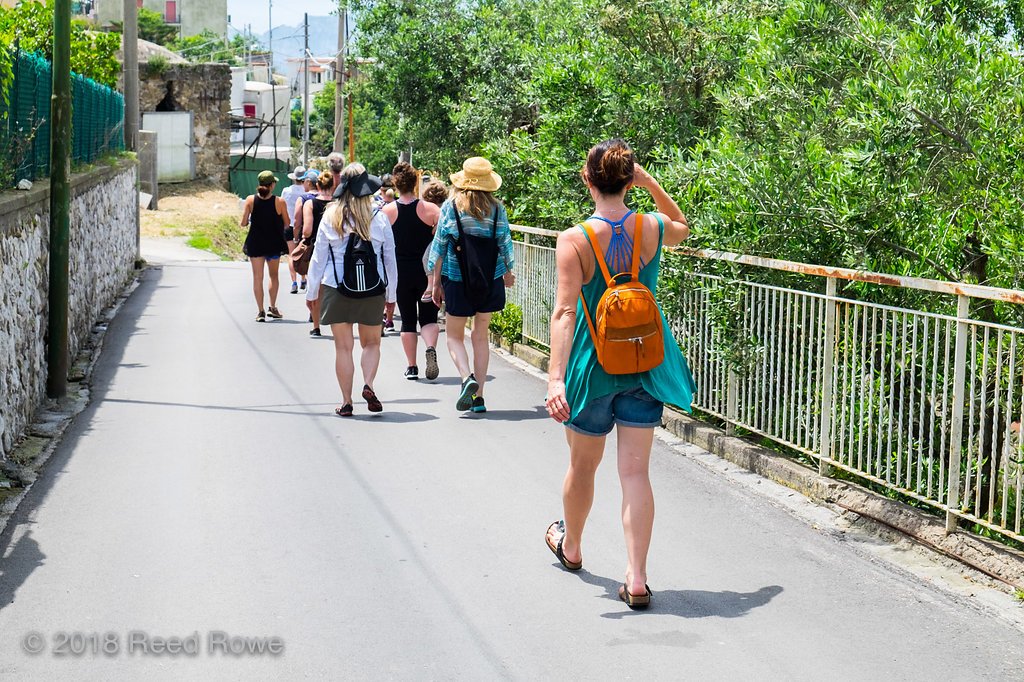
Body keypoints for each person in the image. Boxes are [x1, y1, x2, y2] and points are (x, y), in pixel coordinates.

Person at [543, 139, 695, 610]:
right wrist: (650, 184)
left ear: (587, 181)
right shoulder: (649, 228)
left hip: (592, 371)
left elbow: (565, 313)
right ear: (629, 180)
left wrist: (554, 379)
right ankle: (637, 578)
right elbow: (683, 228)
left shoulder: (573, 240)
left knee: (581, 466)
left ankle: (571, 547)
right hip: (644, 366)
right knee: (634, 473)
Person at [305, 163, 397, 416]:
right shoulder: (378, 217)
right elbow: (389, 258)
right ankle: (368, 384)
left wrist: (311, 292)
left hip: (337, 288)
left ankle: (346, 402)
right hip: (373, 288)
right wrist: (392, 295)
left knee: (343, 347)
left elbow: (318, 258)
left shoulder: (331, 216)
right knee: (371, 344)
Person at [427, 157, 515, 413]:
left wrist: (434, 282)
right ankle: (480, 398)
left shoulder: (451, 207)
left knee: (454, 337)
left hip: (456, 278)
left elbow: (440, 245)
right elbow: (505, 241)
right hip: (488, 278)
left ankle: (467, 378)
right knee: (480, 336)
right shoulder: (497, 209)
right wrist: (509, 271)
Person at [382, 162, 442, 381]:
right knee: (429, 318)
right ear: (416, 182)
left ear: (396, 185)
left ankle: (412, 367)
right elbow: (443, 236)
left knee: (407, 320)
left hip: (401, 273)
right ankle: (430, 348)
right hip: (427, 272)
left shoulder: (387, 212)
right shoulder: (432, 210)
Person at [240, 170, 290, 322]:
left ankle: (260, 311)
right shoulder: (279, 202)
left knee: (257, 277)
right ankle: (273, 307)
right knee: (273, 276)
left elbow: (243, 223)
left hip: (255, 243)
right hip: (274, 243)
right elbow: (287, 223)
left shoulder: (250, 200)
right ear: (272, 185)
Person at [302, 172, 334, 337]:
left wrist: (302, 237)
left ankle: (316, 326)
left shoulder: (310, 204)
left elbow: (307, 231)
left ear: (318, 186)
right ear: (332, 186)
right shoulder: (338, 204)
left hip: (317, 246)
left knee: (315, 285)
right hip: (336, 249)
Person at [420, 180, 449, 302]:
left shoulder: (436, 209)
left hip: (440, 240)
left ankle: (430, 285)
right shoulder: (445, 206)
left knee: (427, 258)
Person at [292, 169, 320, 292]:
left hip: (308, 238)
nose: (302, 183)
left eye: (303, 181)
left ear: (309, 182)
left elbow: (297, 222)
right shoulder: (324, 197)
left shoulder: (303, 198)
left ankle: (308, 287)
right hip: (322, 238)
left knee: (306, 262)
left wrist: (296, 238)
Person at [281, 165, 307, 294]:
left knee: (291, 255)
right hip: (303, 225)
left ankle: (294, 282)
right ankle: (303, 278)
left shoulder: (287, 191)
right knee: (302, 252)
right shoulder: (306, 191)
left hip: (289, 225)